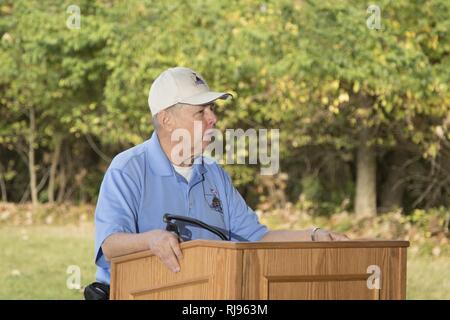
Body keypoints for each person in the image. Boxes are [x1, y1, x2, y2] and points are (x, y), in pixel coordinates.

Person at [94, 67, 348, 286]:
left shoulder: (214, 174)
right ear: (166, 120)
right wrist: (151, 240)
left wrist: (313, 235)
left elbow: (257, 238)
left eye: (212, 109)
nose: (213, 119)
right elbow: (110, 247)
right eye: (200, 112)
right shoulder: (128, 169)